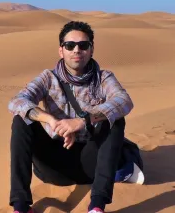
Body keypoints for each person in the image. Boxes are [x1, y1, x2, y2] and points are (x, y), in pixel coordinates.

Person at [8, 21, 134, 213]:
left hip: (91, 162)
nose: (77, 50)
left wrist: (82, 121)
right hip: (54, 164)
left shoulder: (103, 78)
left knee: (115, 119)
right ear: (61, 51)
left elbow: (124, 101)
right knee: (21, 120)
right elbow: (17, 101)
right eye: (70, 45)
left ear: (91, 50)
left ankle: (97, 206)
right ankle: (21, 205)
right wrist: (51, 121)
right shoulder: (48, 78)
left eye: (83, 45)